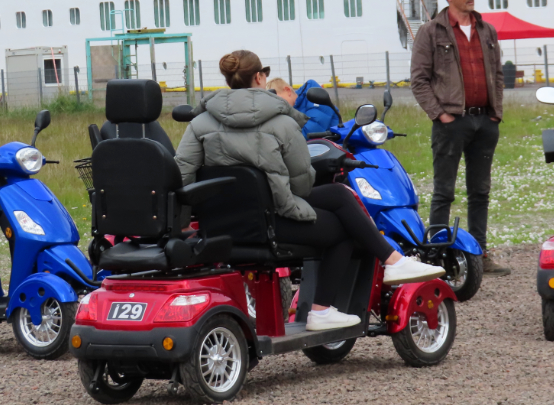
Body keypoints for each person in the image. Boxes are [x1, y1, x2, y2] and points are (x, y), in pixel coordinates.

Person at [176, 50, 445, 331]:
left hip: (220, 226)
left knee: (340, 196)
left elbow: (182, 176)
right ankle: (323, 309)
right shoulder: (282, 122)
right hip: (271, 225)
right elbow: (302, 185)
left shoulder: (199, 123)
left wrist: (184, 224)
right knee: (346, 230)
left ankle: (393, 260)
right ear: (259, 77)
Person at [410, 0, 510, 276]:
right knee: (444, 191)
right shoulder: (431, 32)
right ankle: (437, 257)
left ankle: (479, 253)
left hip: (485, 122)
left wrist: (496, 112)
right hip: (451, 123)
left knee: (480, 191)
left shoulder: (487, 30)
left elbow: (496, 74)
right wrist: (440, 115)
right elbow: (419, 80)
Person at [266, 77, 340, 138]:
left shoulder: (313, 95)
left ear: (288, 91)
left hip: (336, 149)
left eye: (278, 100)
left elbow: (312, 131)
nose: (277, 105)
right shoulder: (291, 110)